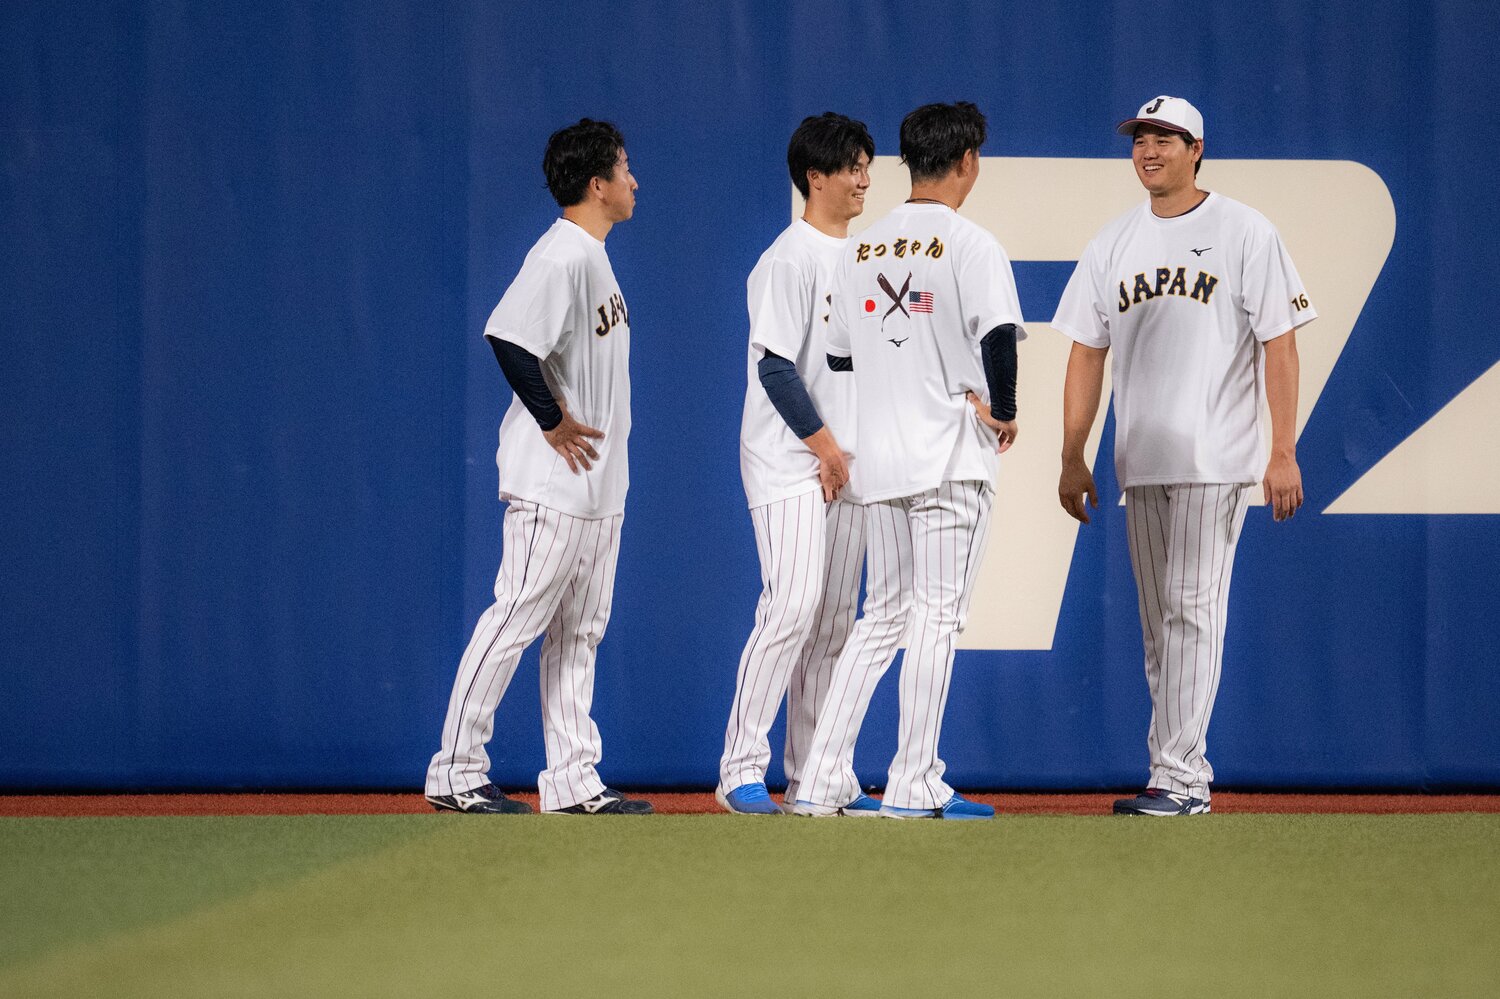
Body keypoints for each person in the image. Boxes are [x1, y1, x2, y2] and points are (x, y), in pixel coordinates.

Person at [1053, 96, 1317, 816]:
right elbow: (1085, 350)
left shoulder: (1243, 231)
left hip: (1218, 454)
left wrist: (1283, 447)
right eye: (1141, 138)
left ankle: (1182, 779)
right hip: (1141, 459)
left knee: (1193, 611)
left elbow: (1281, 341)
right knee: (1159, 623)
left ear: (1197, 148)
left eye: (1166, 138)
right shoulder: (1114, 241)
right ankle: (1169, 770)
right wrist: (1073, 453)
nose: (1149, 149)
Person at [791, 102, 1022, 820]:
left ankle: (820, 777)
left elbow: (835, 354)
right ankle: (913, 779)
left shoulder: (862, 248)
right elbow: (999, 341)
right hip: (950, 454)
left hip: (881, 461)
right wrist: (1005, 411)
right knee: (936, 616)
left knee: (882, 615)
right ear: (965, 163)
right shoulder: (971, 243)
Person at [424, 119, 652, 816]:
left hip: (599, 486)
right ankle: (455, 769)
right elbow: (508, 336)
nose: (633, 180)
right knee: (517, 615)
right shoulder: (562, 255)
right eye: (624, 168)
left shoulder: (592, 255)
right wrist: (551, 419)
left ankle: (573, 777)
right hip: (554, 483)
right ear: (597, 184)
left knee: (579, 633)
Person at [717, 113, 875, 816]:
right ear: (816, 176)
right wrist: (825, 447)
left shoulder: (865, 257)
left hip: (844, 459)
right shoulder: (789, 257)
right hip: (789, 456)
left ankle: (819, 774)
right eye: (851, 166)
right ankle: (739, 768)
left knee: (836, 619)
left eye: (867, 163)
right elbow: (776, 370)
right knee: (791, 606)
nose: (864, 177)